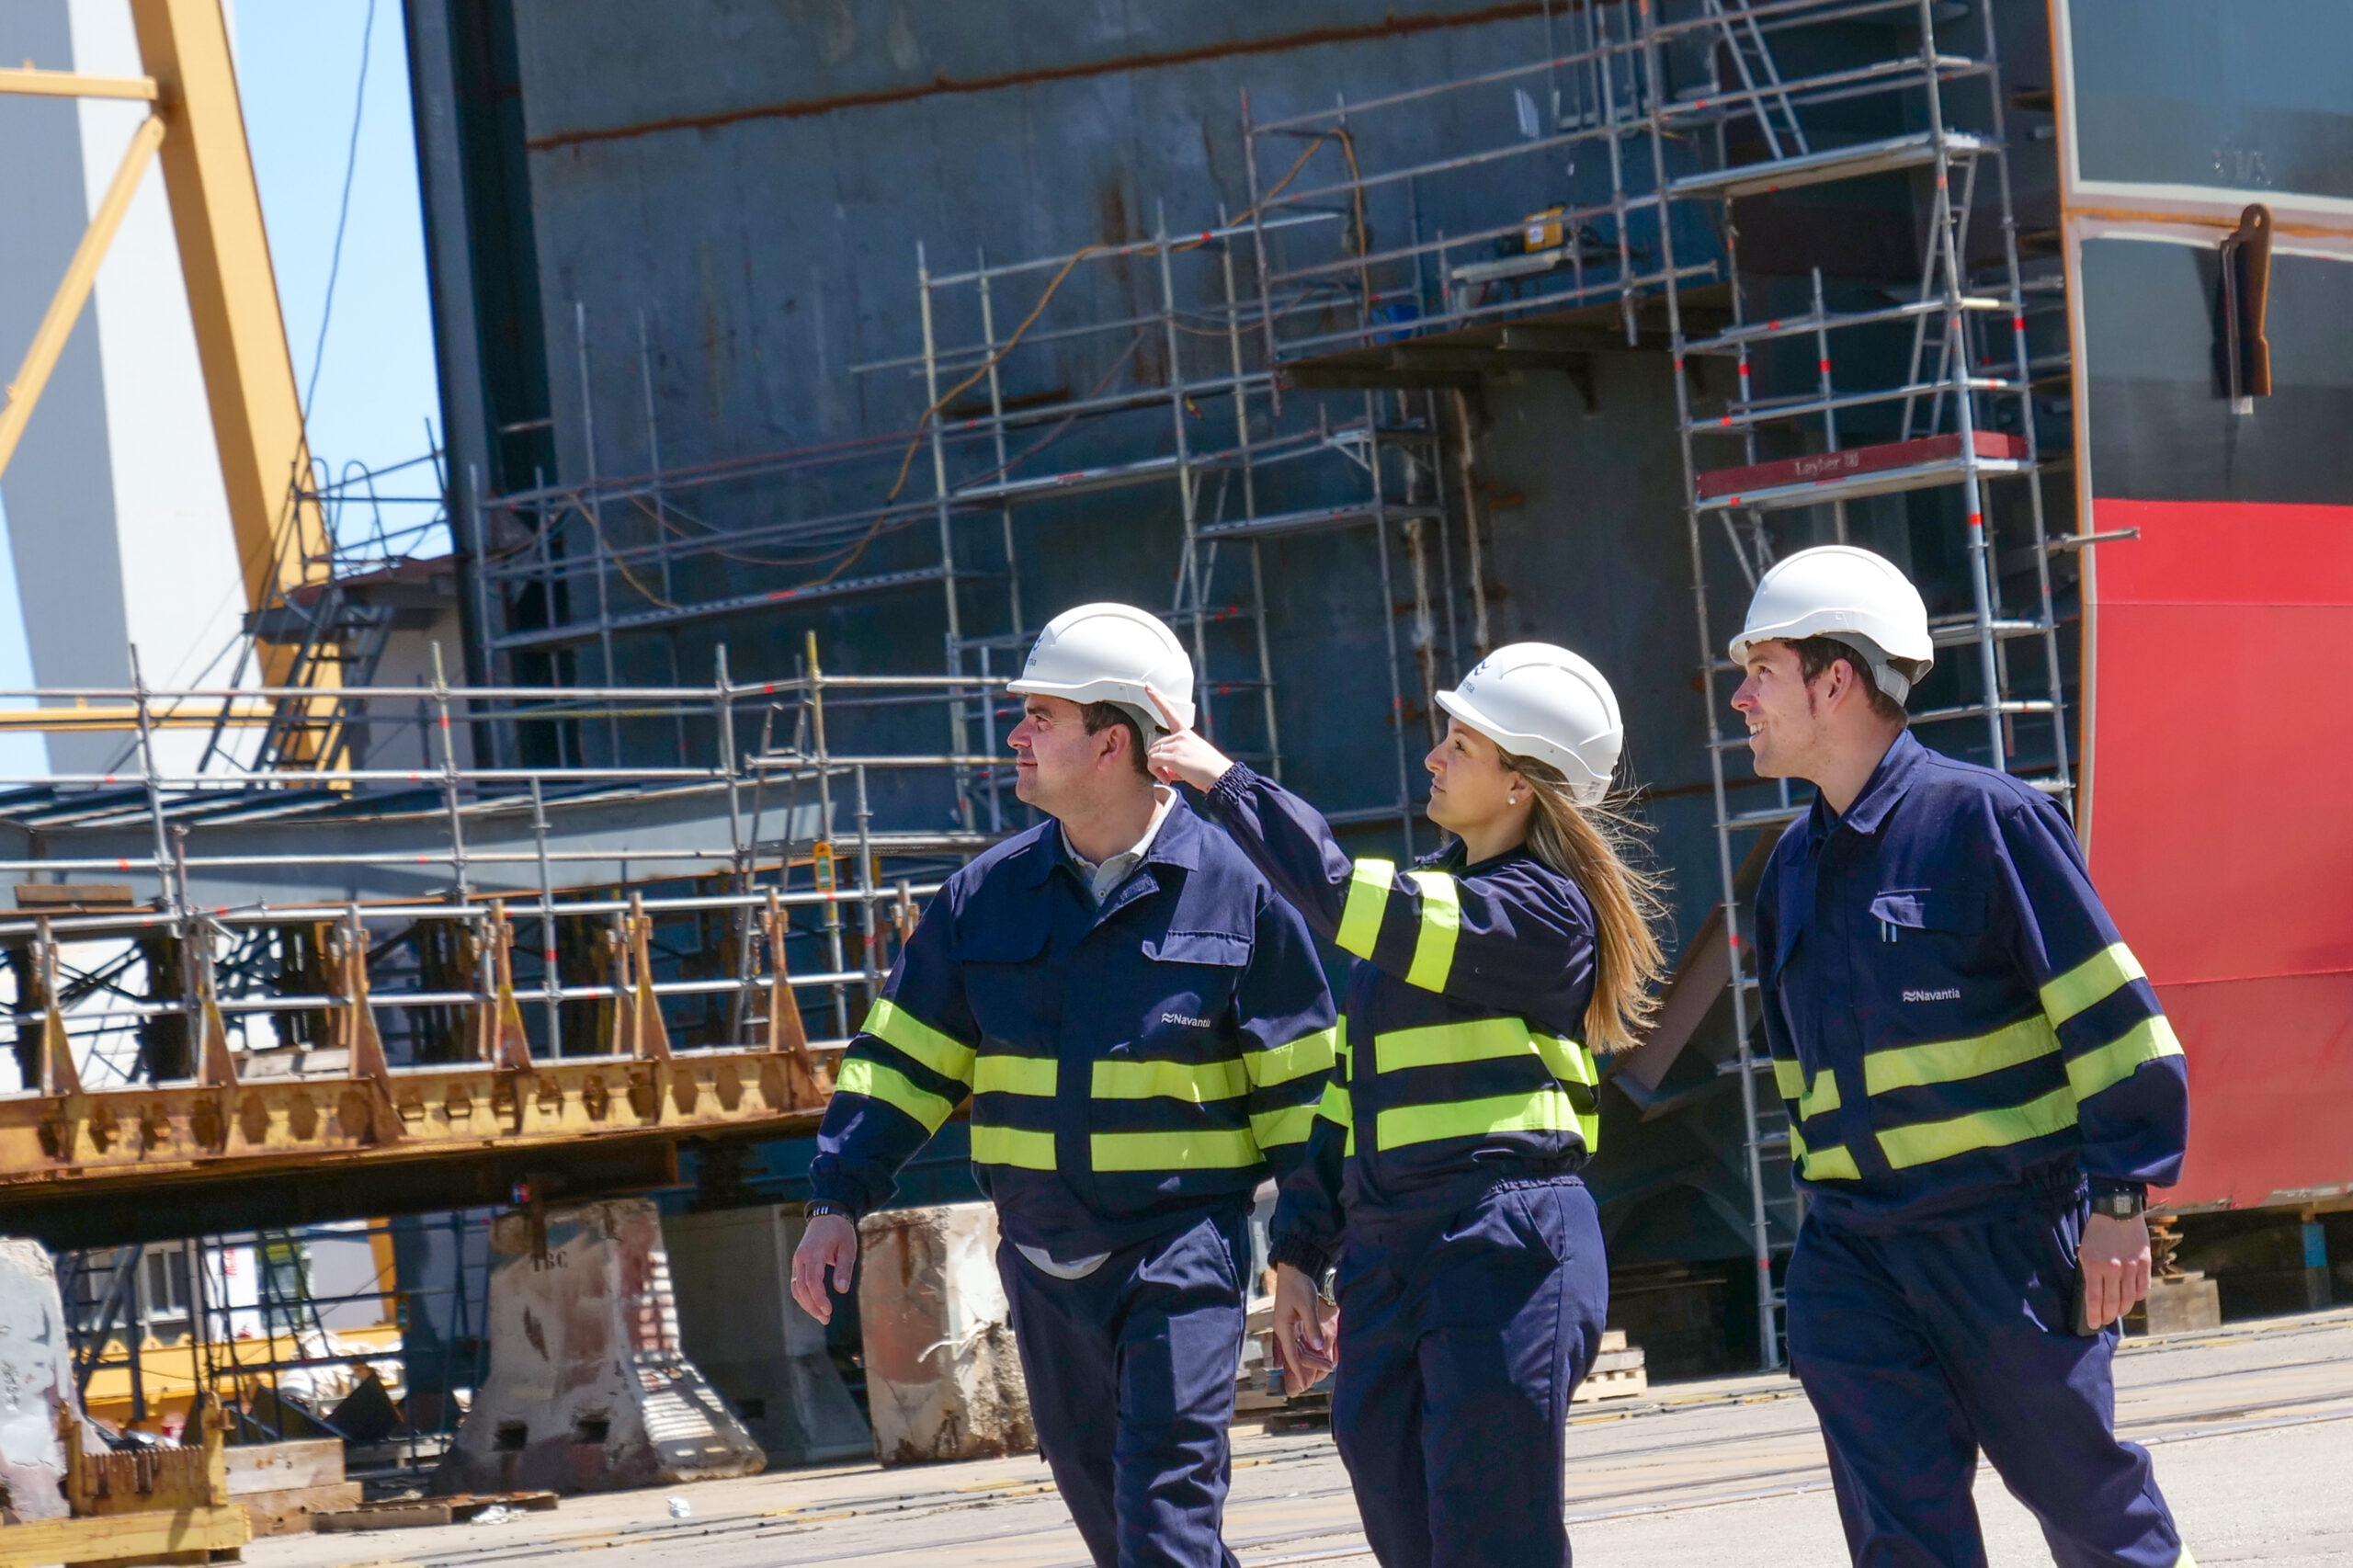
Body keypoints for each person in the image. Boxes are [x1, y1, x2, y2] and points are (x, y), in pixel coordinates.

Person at [788, 602, 1336, 1568]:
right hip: (1042, 1268)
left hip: (1180, 1261)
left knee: (1166, 1520)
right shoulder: (982, 898)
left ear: (1112, 741)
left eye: (1041, 714)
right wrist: (839, 1196)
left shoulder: (1240, 890)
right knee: (1125, 1535)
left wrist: (1303, 1258)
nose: (1016, 733)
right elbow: (903, 1061)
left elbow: (1302, 1099)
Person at [1145, 642, 1666, 1568]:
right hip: (1394, 1251)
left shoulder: (1542, 913)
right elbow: (1348, 1101)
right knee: (1407, 1531)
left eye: (1460, 744)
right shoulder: (1431, 908)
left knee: (1490, 1538)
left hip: (1503, 1247)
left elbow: (1341, 891)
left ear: (1520, 783)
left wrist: (1221, 781)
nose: (1433, 757)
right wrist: (1301, 1255)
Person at [1730, 544, 2193, 1568]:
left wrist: (2119, 1201)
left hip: (2005, 1241)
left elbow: (2115, 1021)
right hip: (1855, 1252)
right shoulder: (1790, 869)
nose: (1739, 697)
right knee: (1901, 1538)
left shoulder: (1986, 822)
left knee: (2089, 1506)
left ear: (1834, 677)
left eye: (1760, 669)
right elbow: (1800, 1075)